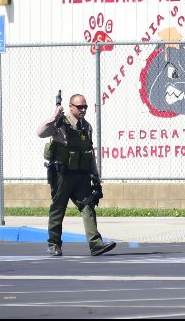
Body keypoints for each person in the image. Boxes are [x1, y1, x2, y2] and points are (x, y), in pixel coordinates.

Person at [37, 93, 116, 257]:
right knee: (58, 209)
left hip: (81, 175)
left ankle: (95, 244)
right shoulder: (60, 123)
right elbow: (40, 132)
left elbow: (89, 152)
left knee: (88, 206)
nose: (83, 110)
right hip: (62, 175)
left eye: (85, 106)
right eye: (80, 107)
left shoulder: (86, 127)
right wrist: (54, 116)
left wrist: (95, 175)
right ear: (71, 107)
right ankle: (53, 244)